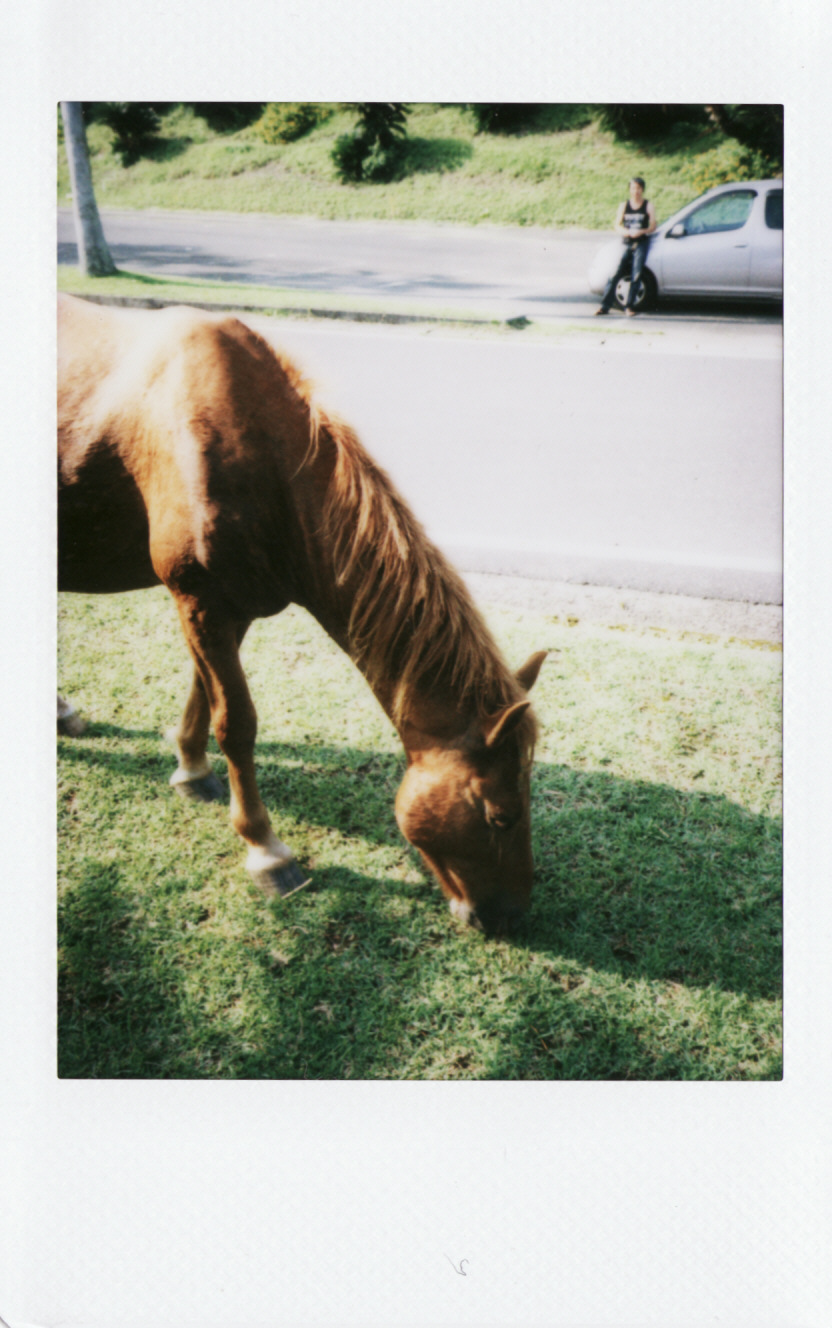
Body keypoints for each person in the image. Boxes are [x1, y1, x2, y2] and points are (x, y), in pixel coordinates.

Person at [595, 177, 656, 317]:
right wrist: (627, 232)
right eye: (634, 188)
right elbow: (617, 225)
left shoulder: (648, 205)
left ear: (643, 190)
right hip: (626, 242)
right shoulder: (624, 205)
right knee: (616, 273)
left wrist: (642, 231)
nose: (636, 191)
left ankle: (629, 306)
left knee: (637, 274)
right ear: (630, 189)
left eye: (639, 188)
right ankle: (605, 306)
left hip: (641, 242)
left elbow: (653, 226)